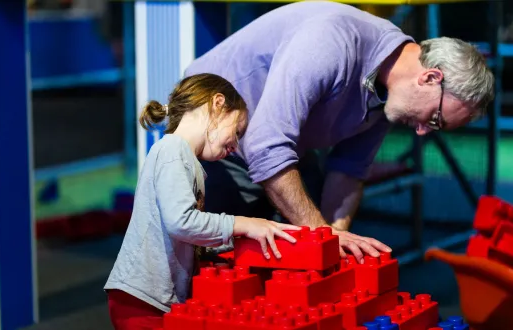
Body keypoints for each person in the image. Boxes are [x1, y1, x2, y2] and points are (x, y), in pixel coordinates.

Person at [184, 1, 495, 263]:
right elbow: (266, 146)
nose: (424, 131)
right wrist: (324, 236)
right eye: (435, 118)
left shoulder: (391, 91)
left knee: (307, 250)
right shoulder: (331, 42)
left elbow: (349, 169)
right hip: (214, 141)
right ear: (430, 77)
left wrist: (337, 239)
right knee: (217, 270)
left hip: (284, 146)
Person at [103, 73, 301, 330]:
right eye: (237, 131)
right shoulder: (173, 151)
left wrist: (231, 244)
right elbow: (181, 222)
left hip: (152, 299)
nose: (236, 145)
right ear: (218, 103)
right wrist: (244, 224)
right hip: (142, 299)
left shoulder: (186, 159)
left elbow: (184, 233)